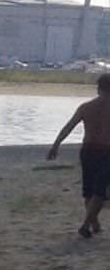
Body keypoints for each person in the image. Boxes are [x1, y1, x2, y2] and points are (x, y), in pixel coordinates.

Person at [46, 73, 110, 239]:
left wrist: (56, 145)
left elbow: (68, 127)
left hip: (88, 150)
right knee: (100, 191)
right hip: (106, 151)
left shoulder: (86, 107)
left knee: (89, 190)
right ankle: (86, 225)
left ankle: (95, 224)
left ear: (99, 88)